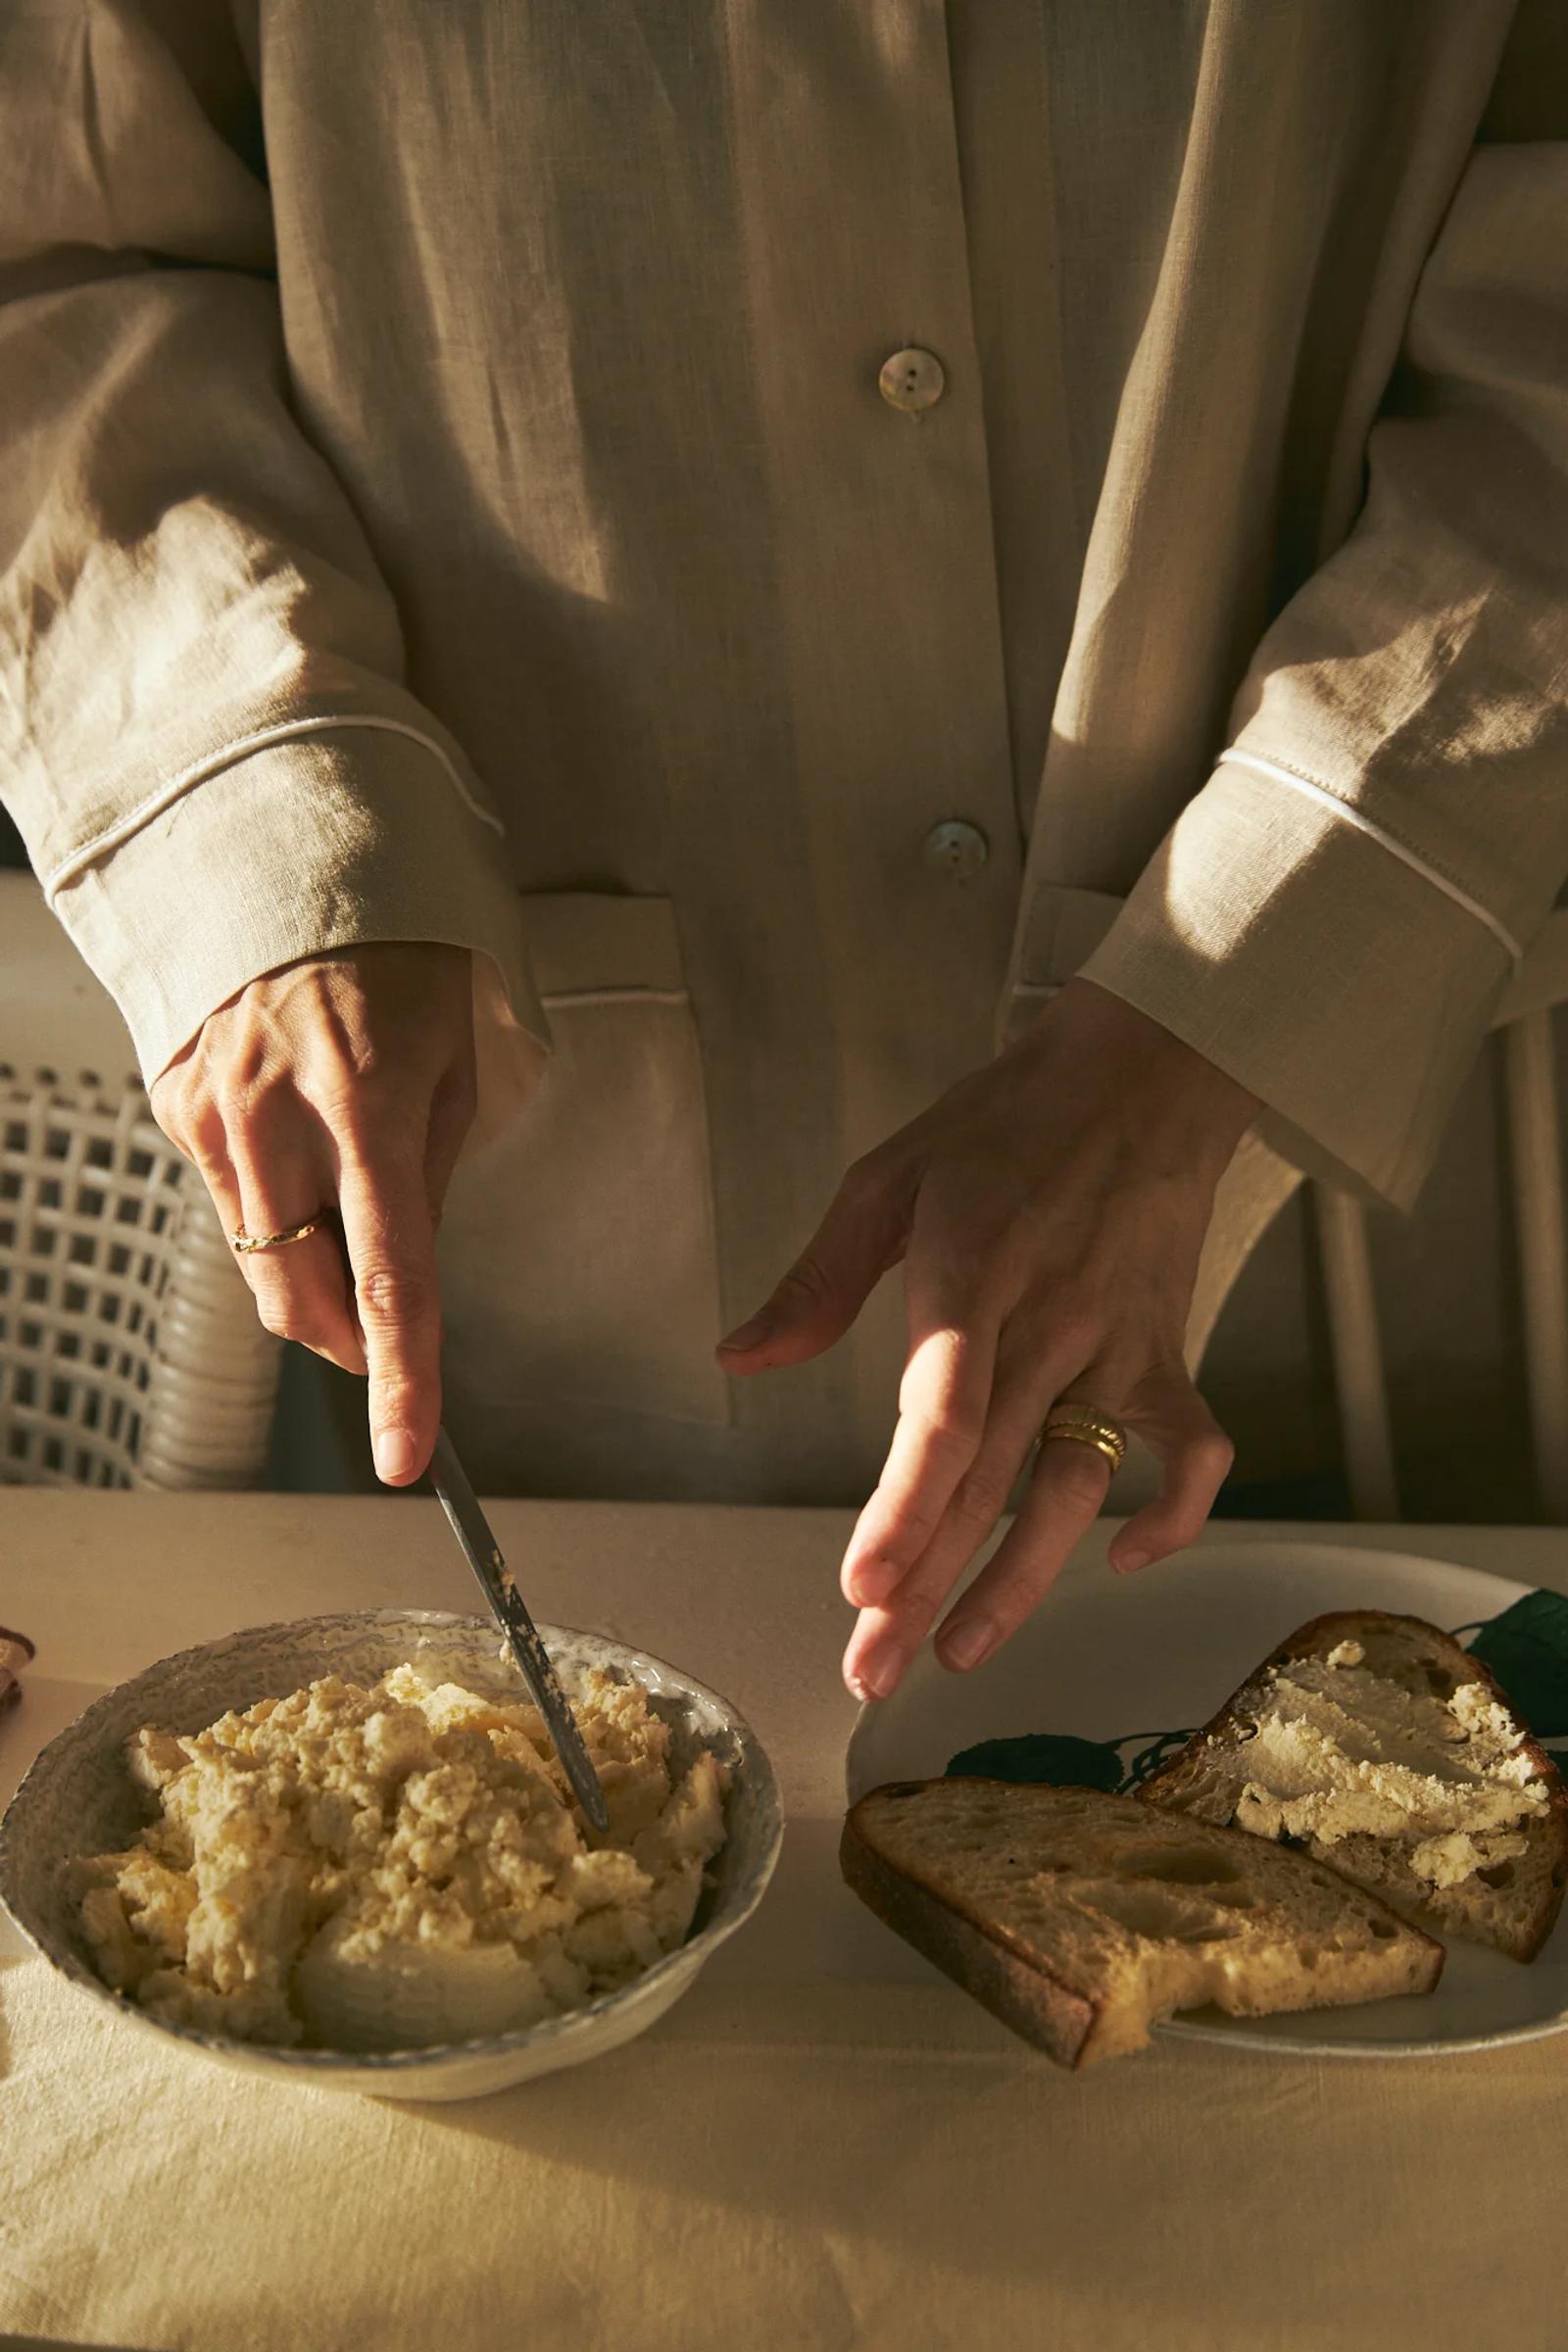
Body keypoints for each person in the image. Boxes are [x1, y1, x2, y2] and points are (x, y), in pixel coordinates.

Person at [2, 3, 1564, 1704]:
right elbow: (60, 259)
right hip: (570, 1329)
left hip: (1377, 1295)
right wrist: (255, 795)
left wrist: (1234, 996)